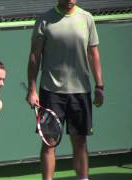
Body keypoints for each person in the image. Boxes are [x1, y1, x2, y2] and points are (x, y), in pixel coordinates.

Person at [26, 0, 104, 180]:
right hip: (51, 91)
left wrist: (99, 86)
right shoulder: (44, 20)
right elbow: (34, 56)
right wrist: (32, 88)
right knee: (49, 143)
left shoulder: (87, 18)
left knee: (80, 142)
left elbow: (94, 54)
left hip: (81, 92)